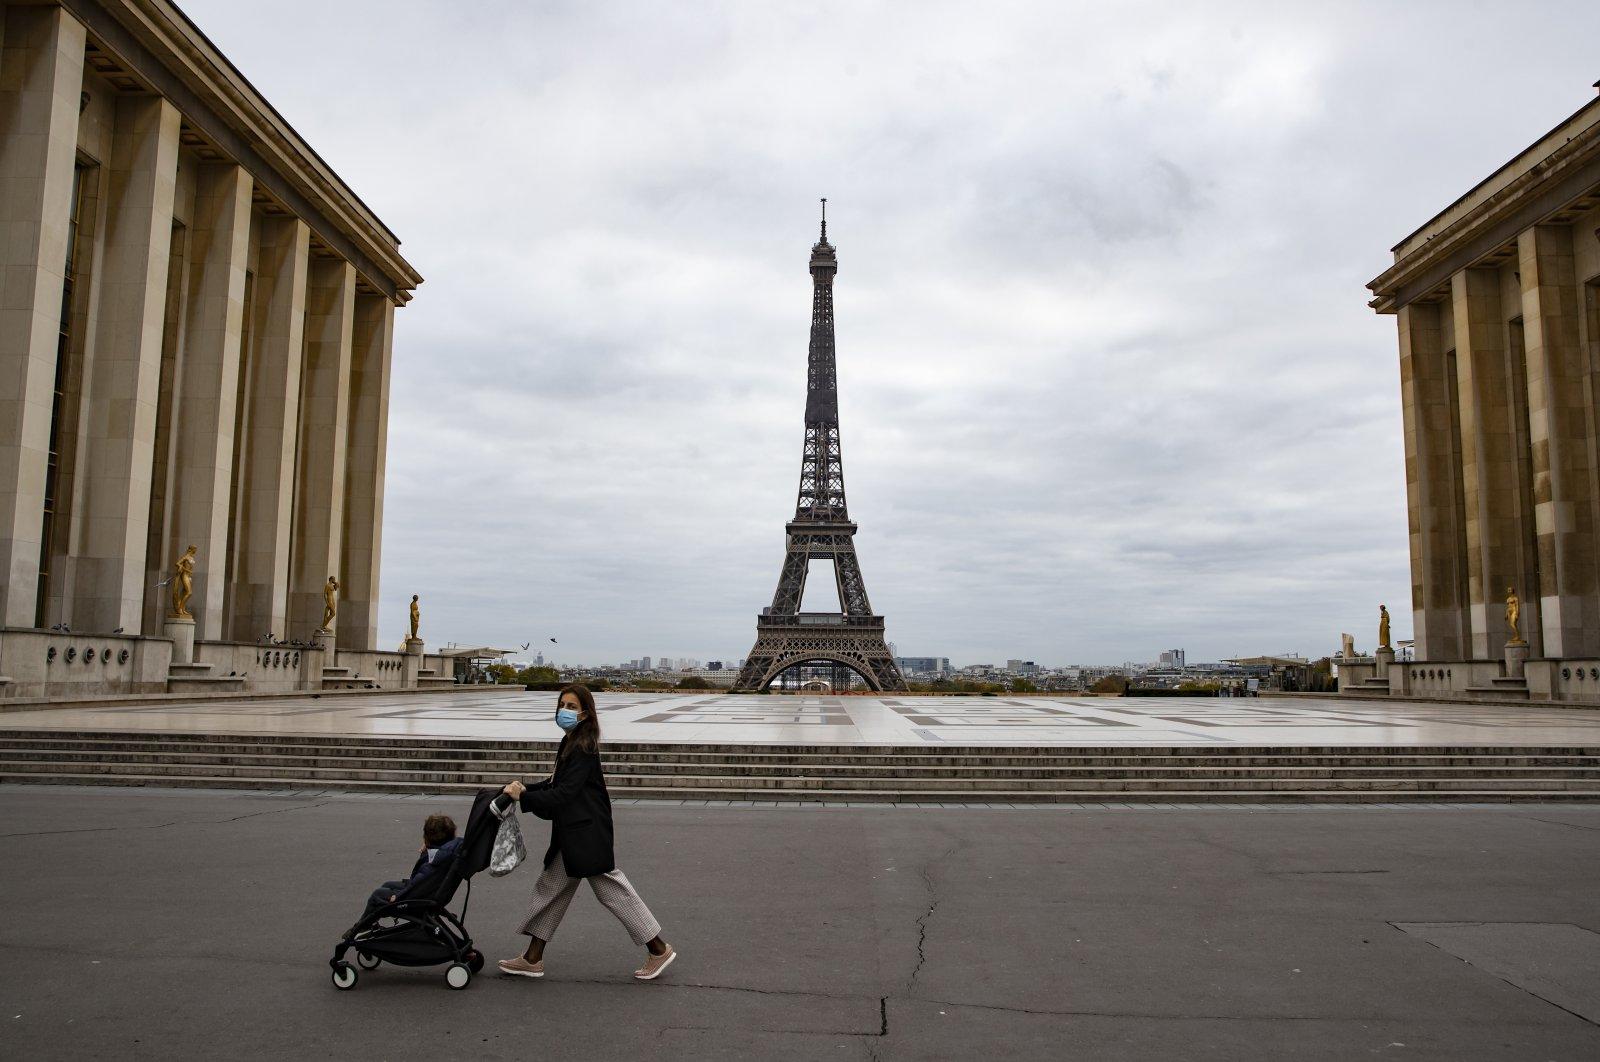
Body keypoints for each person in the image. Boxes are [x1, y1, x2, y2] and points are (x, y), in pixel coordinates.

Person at [496, 684, 676, 981]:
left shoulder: (583, 747)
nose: (564, 711)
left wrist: (524, 798)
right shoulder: (572, 741)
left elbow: (564, 794)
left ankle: (658, 949)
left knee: (615, 893)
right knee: (550, 890)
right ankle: (532, 957)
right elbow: (555, 784)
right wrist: (527, 789)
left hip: (585, 836)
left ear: (585, 713)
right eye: (561, 704)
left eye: (571, 706)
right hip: (575, 834)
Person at [353, 813, 460, 931]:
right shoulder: (448, 852)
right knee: (387, 885)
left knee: (377, 896)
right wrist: (427, 850)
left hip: (420, 899)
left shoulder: (435, 861)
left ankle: (361, 928)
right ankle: (367, 924)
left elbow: (419, 881)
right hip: (433, 892)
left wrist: (398, 897)